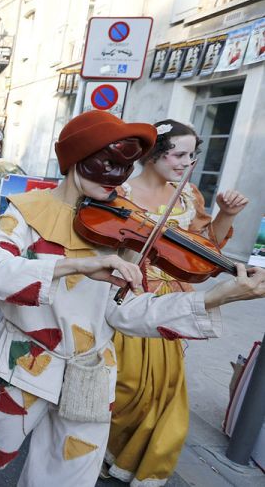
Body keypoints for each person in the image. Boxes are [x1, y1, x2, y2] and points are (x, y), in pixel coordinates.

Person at [0, 110, 265, 486]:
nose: (117, 177)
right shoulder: (27, 212)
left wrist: (215, 298)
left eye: (126, 167)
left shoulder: (123, 228)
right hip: (25, 362)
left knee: (69, 474)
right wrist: (73, 266)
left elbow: (128, 312)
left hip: (93, 369)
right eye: (108, 163)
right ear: (77, 157)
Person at [105, 119, 249, 486]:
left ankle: (144, 462)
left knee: (166, 389)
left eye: (192, 155)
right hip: (128, 297)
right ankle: (104, 448)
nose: (188, 162)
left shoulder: (188, 197)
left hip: (172, 300)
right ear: (153, 153)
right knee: (129, 384)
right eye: (179, 154)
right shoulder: (118, 192)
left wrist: (226, 215)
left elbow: (203, 252)